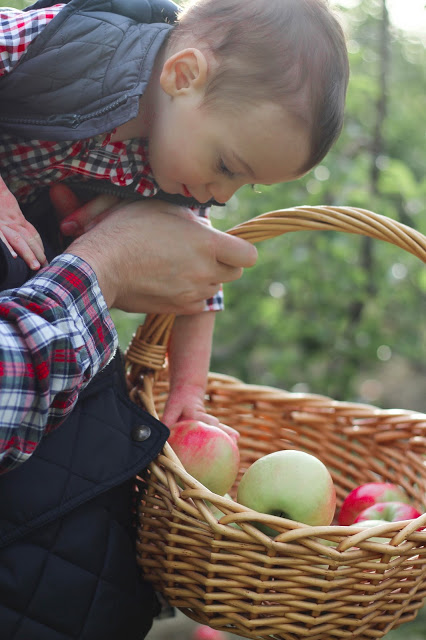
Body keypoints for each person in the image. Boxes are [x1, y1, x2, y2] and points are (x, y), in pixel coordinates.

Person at [0, 0, 349, 431]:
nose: (221, 194)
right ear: (183, 77)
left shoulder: (177, 172)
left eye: (245, 184)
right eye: (226, 166)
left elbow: (200, 287)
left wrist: (187, 391)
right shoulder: (79, 46)